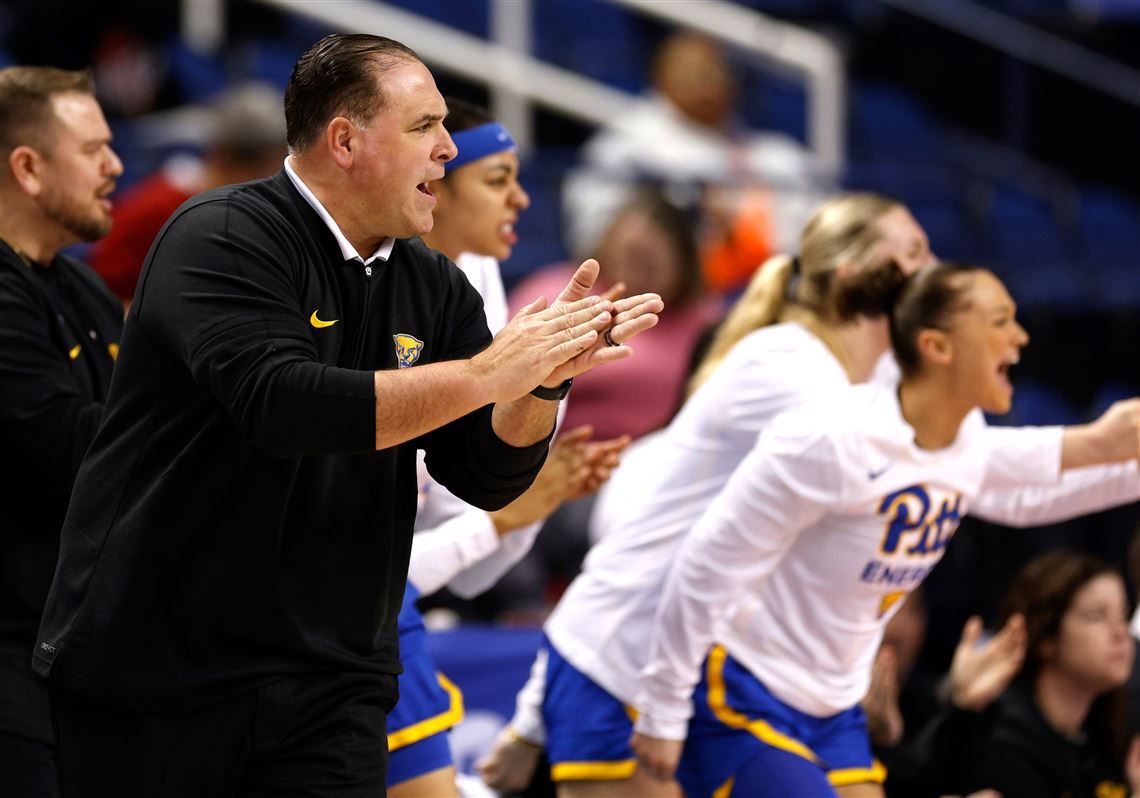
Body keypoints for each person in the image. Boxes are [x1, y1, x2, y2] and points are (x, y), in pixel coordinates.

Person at [31, 34, 662, 797]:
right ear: (345, 140)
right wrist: (490, 372)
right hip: (163, 662)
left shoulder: (437, 289)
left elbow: (487, 475)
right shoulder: (223, 236)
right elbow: (284, 406)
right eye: (425, 127)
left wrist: (540, 384)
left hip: (332, 680)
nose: (446, 151)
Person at [493, 194, 1140, 797]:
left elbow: (983, 482)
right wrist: (1096, 443)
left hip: (727, 661)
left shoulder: (886, 382)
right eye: (912, 252)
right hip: (629, 656)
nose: (932, 266)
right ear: (857, 273)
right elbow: (966, 465)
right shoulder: (791, 367)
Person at [629, 262, 1140, 797]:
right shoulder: (832, 440)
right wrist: (661, 711)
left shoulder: (958, 441)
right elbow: (706, 565)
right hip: (743, 684)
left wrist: (1109, 448)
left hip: (834, 705)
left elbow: (1032, 487)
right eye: (999, 320)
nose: (1020, 336)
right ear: (938, 347)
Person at [386, 99, 628, 798]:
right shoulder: (378, 300)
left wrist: (550, 401)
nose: (521, 198)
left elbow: (469, 571)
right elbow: (381, 557)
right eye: (497, 179)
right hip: (335, 609)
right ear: (436, 186)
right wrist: (502, 519)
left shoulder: (481, 283)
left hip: (397, 604)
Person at [0, 65, 124, 797]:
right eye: (93, 149)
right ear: (28, 167)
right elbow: (70, 444)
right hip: (11, 665)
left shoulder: (79, 285)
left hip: (83, 666)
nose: (115, 166)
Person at [561, 30, 826, 293]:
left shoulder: (778, 154)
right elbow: (592, 237)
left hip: (758, 288)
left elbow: (814, 237)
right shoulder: (626, 145)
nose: (704, 79)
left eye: (714, 69)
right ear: (661, 76)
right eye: (690, 69)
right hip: (662, 295)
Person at [88, 81, 287, 308]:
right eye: (263, 169)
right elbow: (98, 298)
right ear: (224, 156)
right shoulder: (159, 207)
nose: (271, 182)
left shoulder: (247, 211)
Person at [959, 551, 1140, 797]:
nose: (1121, 633)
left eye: (1123, 614)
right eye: (1097, 616)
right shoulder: (1005, 744)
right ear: (1045, 636)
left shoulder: (1108, 732)